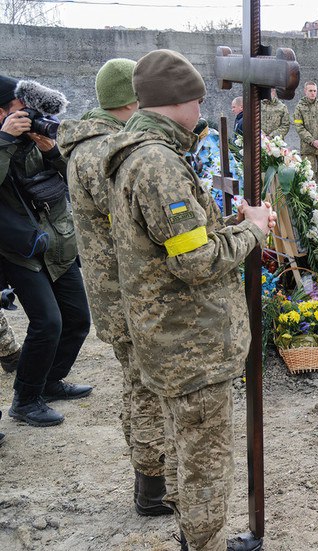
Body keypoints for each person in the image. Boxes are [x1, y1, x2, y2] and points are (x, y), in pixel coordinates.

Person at [103, 49, 274, 551]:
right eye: (197, 102)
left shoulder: (138, 152)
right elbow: (195, 261)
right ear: (178, 102)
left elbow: (177, 241)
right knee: (204, 458)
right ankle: (200, 543)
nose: (201, 111)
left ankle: (187, 533)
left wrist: (227, 223)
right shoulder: (158, 163)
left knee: (184, 447)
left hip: (169, 335)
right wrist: (252, 232)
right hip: (191, 342)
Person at [57, 58, 171, 516]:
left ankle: (148, 478)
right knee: (146, 388)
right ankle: (153, 489)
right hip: (129, 294)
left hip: (114, 293)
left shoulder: (87, 145)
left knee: (135, 384)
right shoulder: (103, 152)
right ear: (132, 100)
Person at [0, 74, 92, 427]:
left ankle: (49, 381)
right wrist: (5, 140)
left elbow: (75, 180)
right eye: (21, 111)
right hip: (20, 250)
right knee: (47, 323)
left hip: (58, 241)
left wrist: (51, 151)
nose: (29, 117)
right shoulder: (5, 141)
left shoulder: (36, 139)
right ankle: (25, 400)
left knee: (78, 320)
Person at [293, 81, 318, 183]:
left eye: (314, 91)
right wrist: (312, 141)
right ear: (305, 91)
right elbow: (299, 127)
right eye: (310, 91)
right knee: (309, 176)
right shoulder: (299, 108)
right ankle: (312, 198)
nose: (313, 93)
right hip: (308, 148)